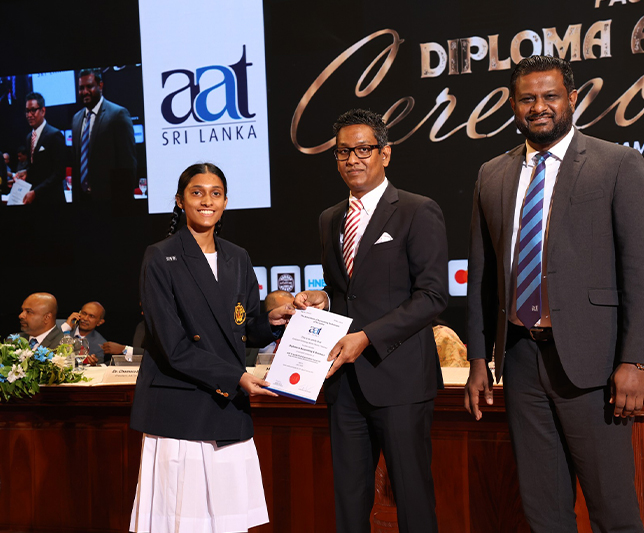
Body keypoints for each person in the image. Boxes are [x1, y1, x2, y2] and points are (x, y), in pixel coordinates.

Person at [464, 56, 644, 533]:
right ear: (513, 105)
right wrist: (477, 358)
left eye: (550, 96)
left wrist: (637, 360)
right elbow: (482, 275)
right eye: (527, 98)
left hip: (593, 364)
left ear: (571, 99)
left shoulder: (617, 163)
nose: (539, 107)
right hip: (519, 360)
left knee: (613, 512)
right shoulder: (491, 173)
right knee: (544, 513)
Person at [294, 109, 448, 533]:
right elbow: (346, 292)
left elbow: (433, 296)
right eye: (344, 152)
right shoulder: (330, 218)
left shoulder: (417, 210)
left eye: (363, 149)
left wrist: (367, 337)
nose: (353, 159)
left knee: (412, 501)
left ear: (385, 153)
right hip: (344, 384)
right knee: (348, 503)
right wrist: (323, 299)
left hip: (400, 381)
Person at [129, 163, 294, 533]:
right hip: (180, 408)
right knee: (180, 521)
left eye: (215, 193)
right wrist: (236, 378)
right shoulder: (160, 256)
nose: (207, 201)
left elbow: (244, 328)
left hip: (227, 407)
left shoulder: (238, 257)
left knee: (228, 520)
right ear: (180, 200)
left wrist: (272, 321)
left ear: (225, 202)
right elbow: (172, 346)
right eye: (197, 192)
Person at [70, 68, 137, 202]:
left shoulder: (118, 114)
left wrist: (123, 203)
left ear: (100, 86)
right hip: (82, 201)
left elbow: (128, 164)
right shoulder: (76, 119)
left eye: (89, 86)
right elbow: (76, 165)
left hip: (111, 201)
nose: (85, 92)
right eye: (81, 88)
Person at [20, 92, 66, 204]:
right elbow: (36, 167)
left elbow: (59, 173)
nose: (29, 115)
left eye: (33, 110)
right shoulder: (29, 137)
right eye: (27, 111)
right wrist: (26, 172)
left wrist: (36, 192)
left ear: (43, 111)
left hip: (53, 201)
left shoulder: (55, 135)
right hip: (35, 200)